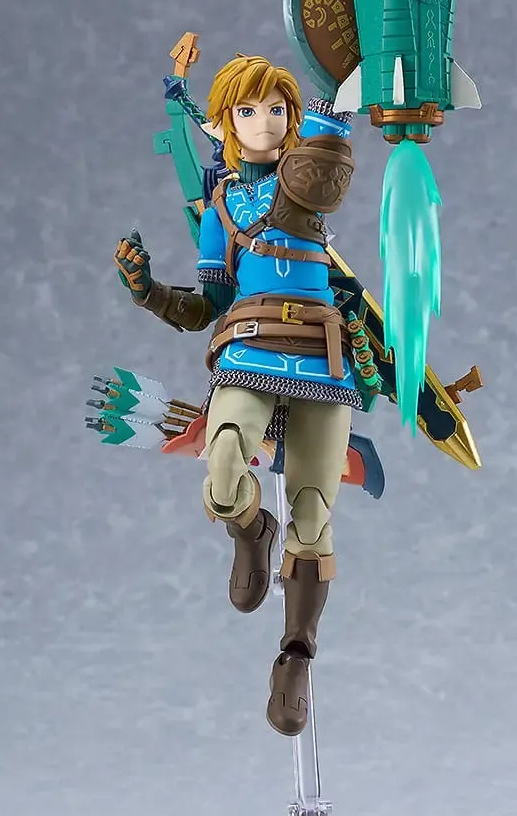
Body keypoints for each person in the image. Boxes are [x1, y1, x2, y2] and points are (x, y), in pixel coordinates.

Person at [114, 53, 359, 735]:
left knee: (314, 515)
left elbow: (323, 171)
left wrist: (331, 101)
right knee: (223, 468)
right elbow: (210, 304)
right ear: (224, 122)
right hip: (248, 347)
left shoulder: (300, 182)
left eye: (276, 108)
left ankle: (296, 653)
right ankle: (252, 529)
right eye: (247, 110)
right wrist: (149, 293)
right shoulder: (221, 207)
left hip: (322, 356)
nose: (264, 122)